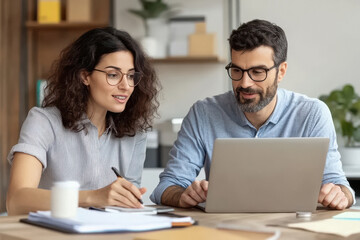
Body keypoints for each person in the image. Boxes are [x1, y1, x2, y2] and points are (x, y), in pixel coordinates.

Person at [150, 19, 355, 210]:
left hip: (292, 228)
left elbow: (341, 187)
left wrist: (340, 195)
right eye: (237, 70)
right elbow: (166, 187)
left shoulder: (312, 114)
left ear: (281, 71)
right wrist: (183, 195)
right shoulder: (204, 113)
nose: (245, 83)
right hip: (224, 230)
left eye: (257, 72)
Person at [6, 27, 160, 215]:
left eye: (130, 75)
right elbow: (16, 200)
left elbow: (126, 205)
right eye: (113, 75)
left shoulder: (135, 133)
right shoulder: (43, 122)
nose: (126, 86)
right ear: (85, 76)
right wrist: (92, 197)